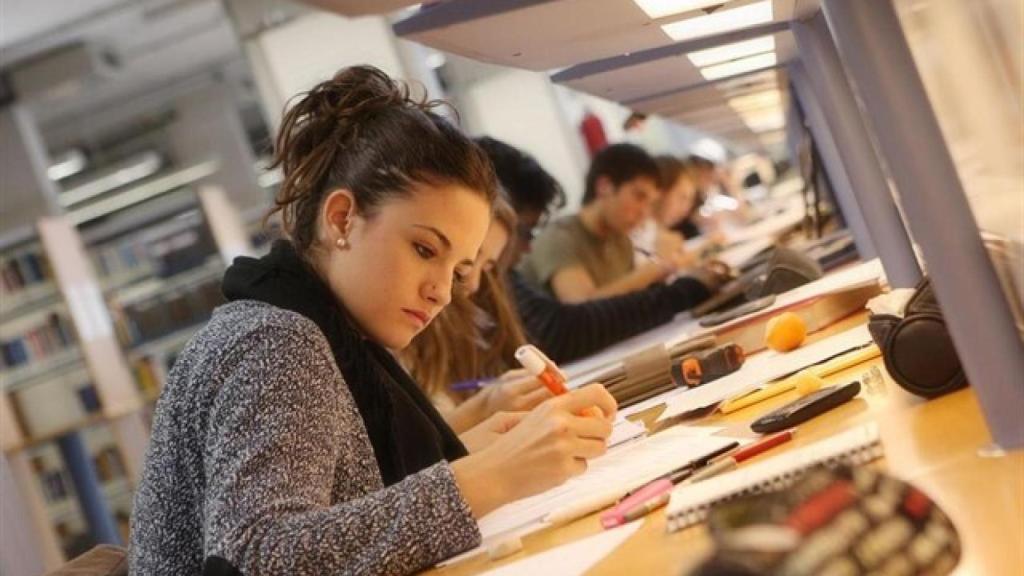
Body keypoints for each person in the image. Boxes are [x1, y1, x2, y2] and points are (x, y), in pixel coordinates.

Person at [129, 66, 616, 576]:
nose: (442, 291)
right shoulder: (274, 340)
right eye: (425, 249)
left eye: (459, 270)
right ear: (342, 218)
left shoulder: (329, 332)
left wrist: (484, 451)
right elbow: (257, 557)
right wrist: (495, 473)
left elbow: (346, 506)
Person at [517, 143, 691, 303]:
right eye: (639, 197)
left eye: (650, 203)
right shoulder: (558, 238)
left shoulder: (621, 240)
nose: (644, 213)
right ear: (604, 186)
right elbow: (581, 308)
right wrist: (654, 270)